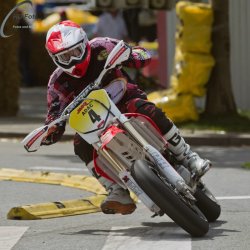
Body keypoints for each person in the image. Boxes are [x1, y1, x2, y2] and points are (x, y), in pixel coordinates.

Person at [43, 20, 211, 215]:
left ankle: (188, 157)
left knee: (145, 108)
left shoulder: (102, 46)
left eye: (75, 52)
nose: (72, 60)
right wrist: (50, 131)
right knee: (80, 144)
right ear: (54, 58)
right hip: (95, 123)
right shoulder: (57, 83)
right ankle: (116, 190)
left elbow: (142, 55)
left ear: (85, 44)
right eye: (64, 57)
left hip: (125, 100)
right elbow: (54, 117)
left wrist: (130, 55)